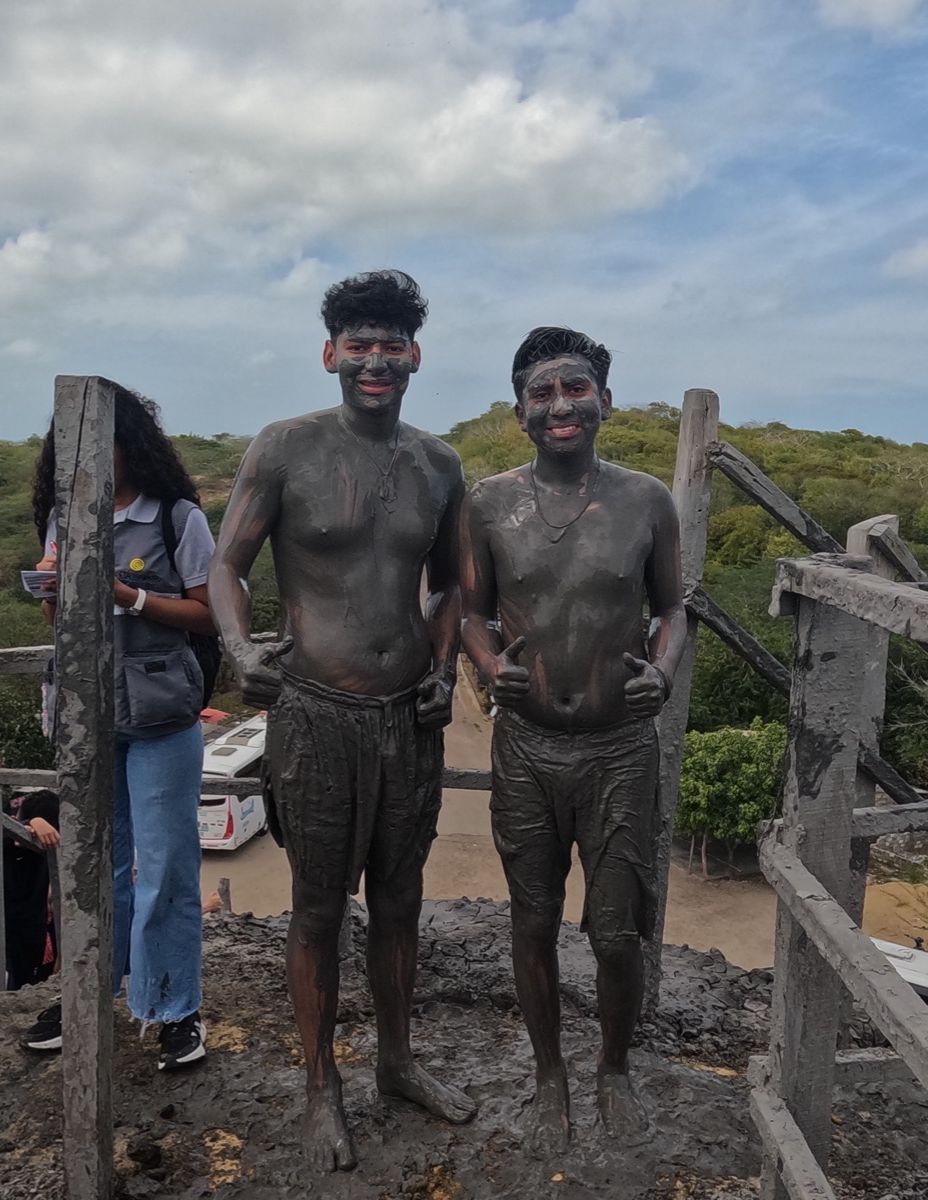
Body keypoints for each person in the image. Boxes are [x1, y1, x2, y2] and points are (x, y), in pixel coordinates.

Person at [209, 270, 474, 1172]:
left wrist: (444, 668)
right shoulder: (284, 448)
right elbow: (227, 570)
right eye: (358, 343)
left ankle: (397, 1063)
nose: (375, 359)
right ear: (330, 354)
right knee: (318, 908)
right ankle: (323, 1085)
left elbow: (452, 586)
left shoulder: (439, 465)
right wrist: (241, 651)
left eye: (391, 344)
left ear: (415, 357)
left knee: (401, 900)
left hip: (409, 718)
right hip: (316, 714)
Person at [460, 327, 686, 1153]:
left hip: (621, 746)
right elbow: (470, 610)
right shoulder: (487, 503)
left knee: (618, 927)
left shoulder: (646, 500)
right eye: (543, 394)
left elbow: (673, 610)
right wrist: (488, 666)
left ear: (605, 401)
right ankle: (550, 1069)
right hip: (527, 745)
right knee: (531, 919)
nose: (561, 405)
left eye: (576, 388)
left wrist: (659, 673)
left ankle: (614, 1067)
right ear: (520, 412)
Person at [28, 388, 216, 1069]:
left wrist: (126, 595)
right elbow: (66, 625)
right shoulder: (61, 519)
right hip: (86, 715)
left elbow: (211, 614)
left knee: (165, 866)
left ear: (131, 445)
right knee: (92, 867)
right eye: (71, 447)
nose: (87, 459)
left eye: (101, 443)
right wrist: (55, 589)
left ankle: (172, 1005)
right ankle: (89, 990)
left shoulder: (174, 517)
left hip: (162, 715)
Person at [3, 789, 60, 997]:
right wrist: (31, 822)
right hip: (24, 933)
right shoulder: (14, 846)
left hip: (39, 933)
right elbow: (11, 836)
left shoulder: (53, 852)